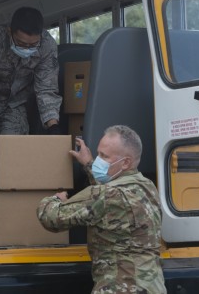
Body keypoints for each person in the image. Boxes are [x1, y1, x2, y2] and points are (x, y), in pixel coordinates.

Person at [37, 125, 165, 294]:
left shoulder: (106, 196)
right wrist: (89, 165)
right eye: (98, 154)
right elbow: (110, 197)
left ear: (125, 162)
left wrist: (55, 199)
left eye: (104, 156)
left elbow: (51, 218)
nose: (99, 160)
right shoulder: (147, 187)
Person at [0, 6, 62, 135]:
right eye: (21, 43)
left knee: (15, 147)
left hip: (16, 104)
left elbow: (46, 88)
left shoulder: (47, 46)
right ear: (10, 32)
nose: (27, 48)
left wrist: (53, 126)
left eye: (33, 45)